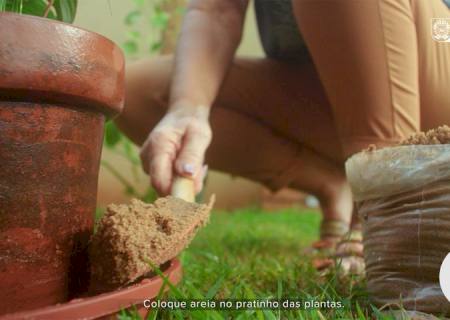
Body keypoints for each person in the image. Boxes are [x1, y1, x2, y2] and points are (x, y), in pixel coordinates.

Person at [116, 0, 450, 274]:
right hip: (321, 95)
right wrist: (187, 109)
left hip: (432, 79)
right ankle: (333, 184)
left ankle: (391, 208)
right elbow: (215, 9)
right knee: (134, 92)